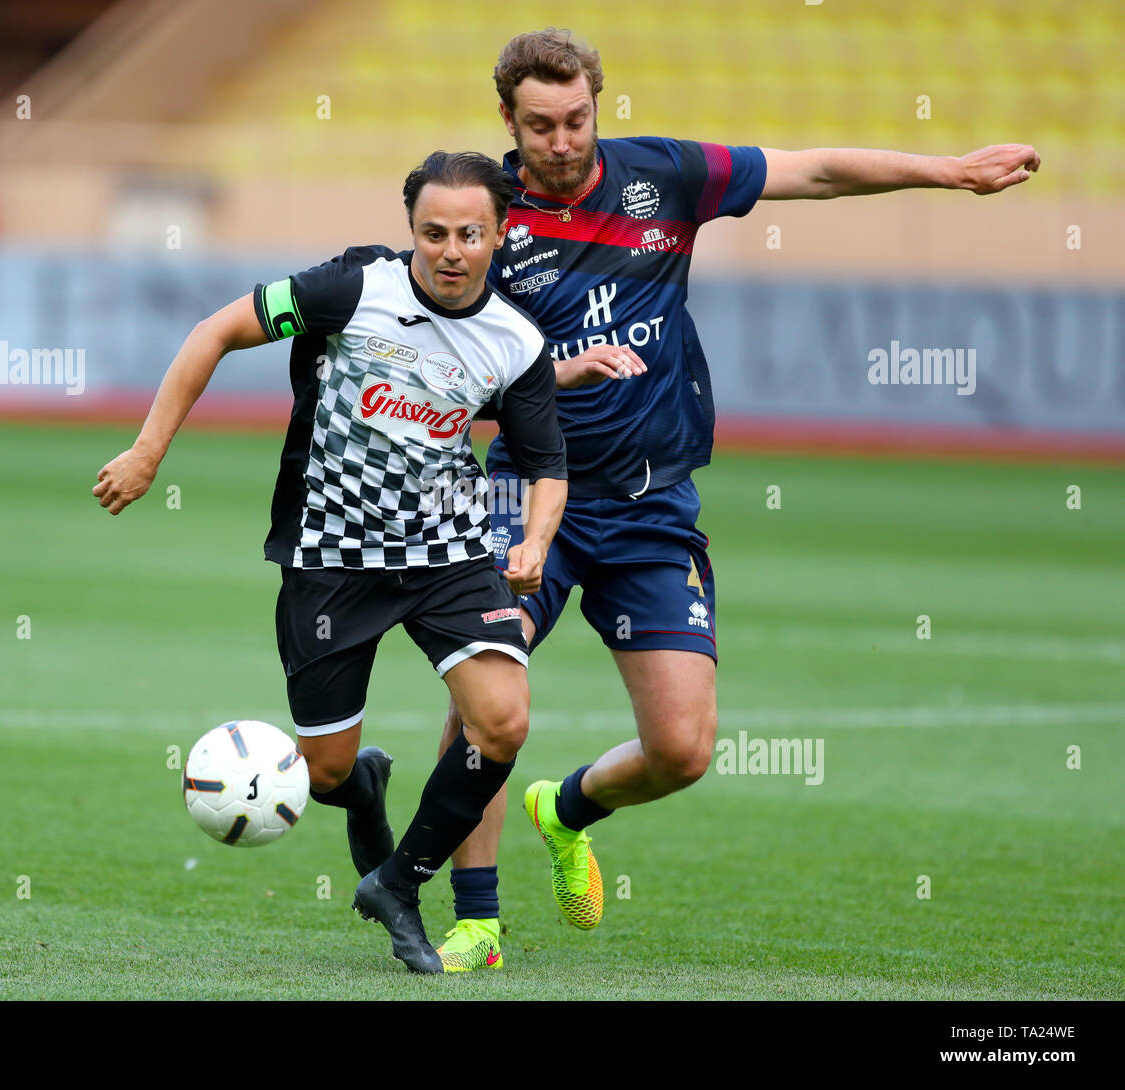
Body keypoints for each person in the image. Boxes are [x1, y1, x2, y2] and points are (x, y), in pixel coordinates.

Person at [431, 27, 1041, 972]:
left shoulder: (666, 177)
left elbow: (816, 173)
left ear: (599, 104)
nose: (560, 141)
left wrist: (950, 172)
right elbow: (446, 387)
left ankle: (570, 808)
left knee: (681, 751)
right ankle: (477, 918)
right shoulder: (479, 222)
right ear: (506, 121)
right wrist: (558, 373)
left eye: (577, 119)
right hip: (527, 497)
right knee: (488, 699)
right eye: (540, 125)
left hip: (648, 503)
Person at [93, 150, 568, 973]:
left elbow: (547, 462)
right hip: (330, 556)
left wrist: (533, 541)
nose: (450, 250)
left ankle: (400, 882)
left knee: (503, 719)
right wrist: (147, 451)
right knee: (324, 770)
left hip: (448, 553)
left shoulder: (517, 341)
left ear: (499, 234)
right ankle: (365, 790)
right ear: (410, 230)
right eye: (432, 233)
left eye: (469, 233)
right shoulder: (351, 290)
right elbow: (217, 331)